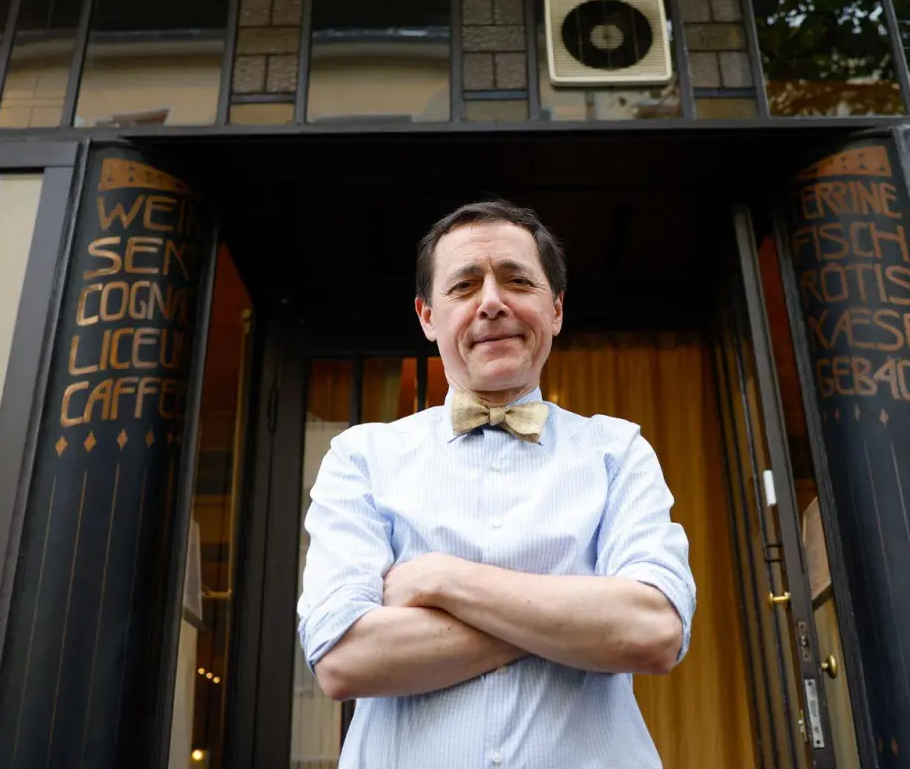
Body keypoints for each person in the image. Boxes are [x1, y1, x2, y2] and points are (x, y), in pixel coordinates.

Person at [295, 199, 697, 768]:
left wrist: (440, 579)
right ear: (427, 317)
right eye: (463, 287)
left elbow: (652, 631)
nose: (491, 303)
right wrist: (575, 619)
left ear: (555, 309)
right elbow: (343, 659)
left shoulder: (618, 451)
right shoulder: (361, 456)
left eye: (516, 280)